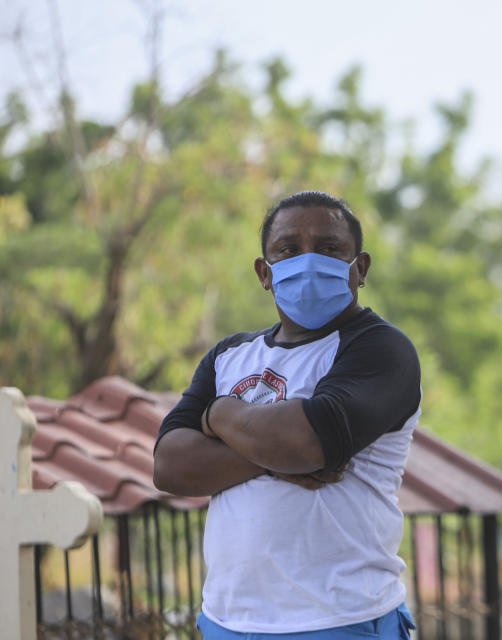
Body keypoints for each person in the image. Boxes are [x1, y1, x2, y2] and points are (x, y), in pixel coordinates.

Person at [153, 191, 420, 639]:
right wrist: (276, 451)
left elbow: (305, 442)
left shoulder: (380, 348)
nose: (309, 261)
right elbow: (170, 466)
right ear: (265, 271)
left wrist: (219, 417)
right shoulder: (228, 356)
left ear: (361, 267)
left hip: (341, 619)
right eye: (289, 249)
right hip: (226, 621)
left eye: (330, 248)